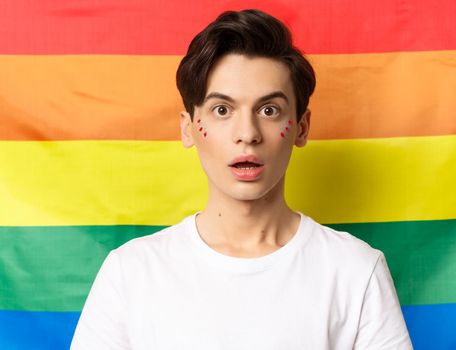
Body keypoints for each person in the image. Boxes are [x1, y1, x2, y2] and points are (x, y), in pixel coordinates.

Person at [70, 9, 413, 349]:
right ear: (188, 128)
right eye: (222, 110)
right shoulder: (130, 273)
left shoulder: (356, 271)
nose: (247, 134)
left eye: (269, 110)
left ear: (301, 127)